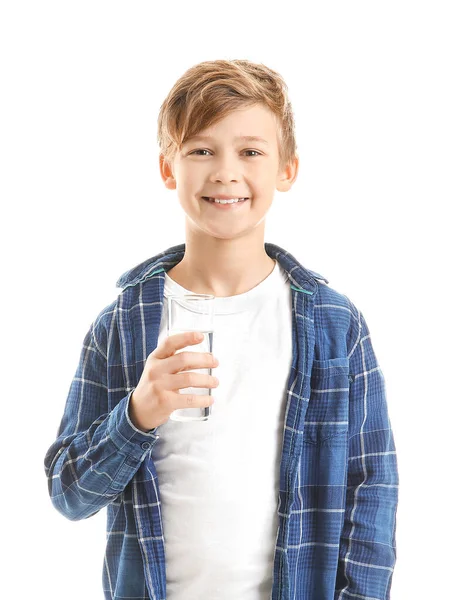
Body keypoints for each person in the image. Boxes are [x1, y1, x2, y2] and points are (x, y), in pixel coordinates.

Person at [44, 59, 399, 600]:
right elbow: (69, 494)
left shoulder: (334, 324)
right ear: (169, 169)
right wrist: (137, 415)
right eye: (201, 150)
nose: (225, 172)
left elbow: (373, 491)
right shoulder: (121, 325)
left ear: (287, 170)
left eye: (251, 151)